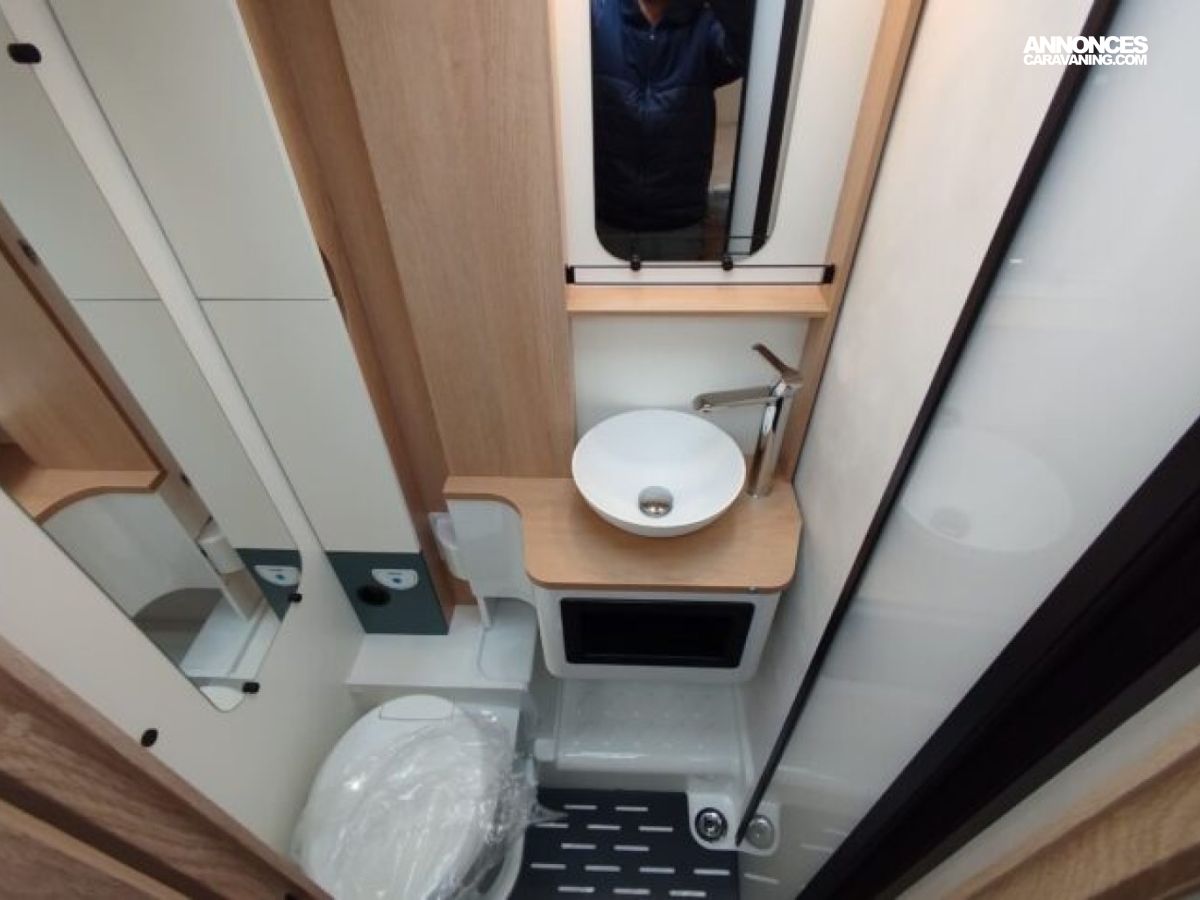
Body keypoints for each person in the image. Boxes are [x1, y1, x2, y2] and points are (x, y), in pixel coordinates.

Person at [592, 0, 750, 261]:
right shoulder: (597, 16)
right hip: (605, 218)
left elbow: (747, 51)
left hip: (678, 224)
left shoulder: (706, 26)